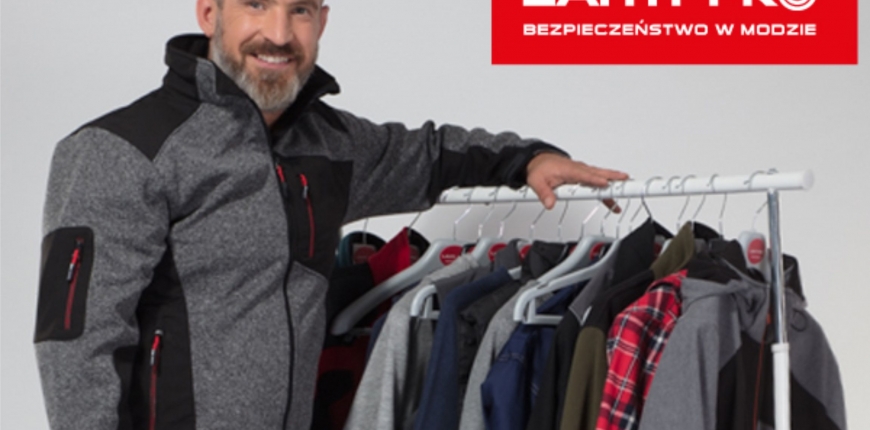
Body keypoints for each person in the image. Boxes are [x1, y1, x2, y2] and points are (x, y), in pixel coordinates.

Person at [33, 0, 628, 429]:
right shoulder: (120, 151)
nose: (278, 33)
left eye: (299, 10)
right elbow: (76, 345)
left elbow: (431, 154)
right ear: (209, 14)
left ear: (321, 21)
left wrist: (528, 159)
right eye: (256, 5)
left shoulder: (330, 145)